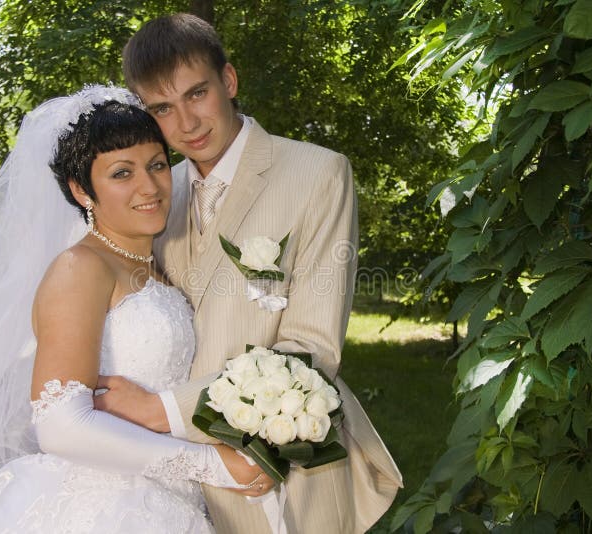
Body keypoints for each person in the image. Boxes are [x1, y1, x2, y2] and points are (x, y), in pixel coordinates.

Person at [94, 14, 403, 534]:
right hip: (178, 484)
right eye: (163, 109)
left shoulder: (317, 172)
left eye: (197, 94)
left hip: (284, 467)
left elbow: (311, 348)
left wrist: (162, 410)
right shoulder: (154, 193)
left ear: (229, 81)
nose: (186, 124)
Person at [0, 86, 274, 533]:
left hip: (169, 499)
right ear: (82, 190)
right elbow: (61, 425)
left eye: (157, 165)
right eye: (122, 173)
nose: (150, 186)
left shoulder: (150, 265)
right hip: (105, 506)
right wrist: (211, 464)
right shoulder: (79, 267)